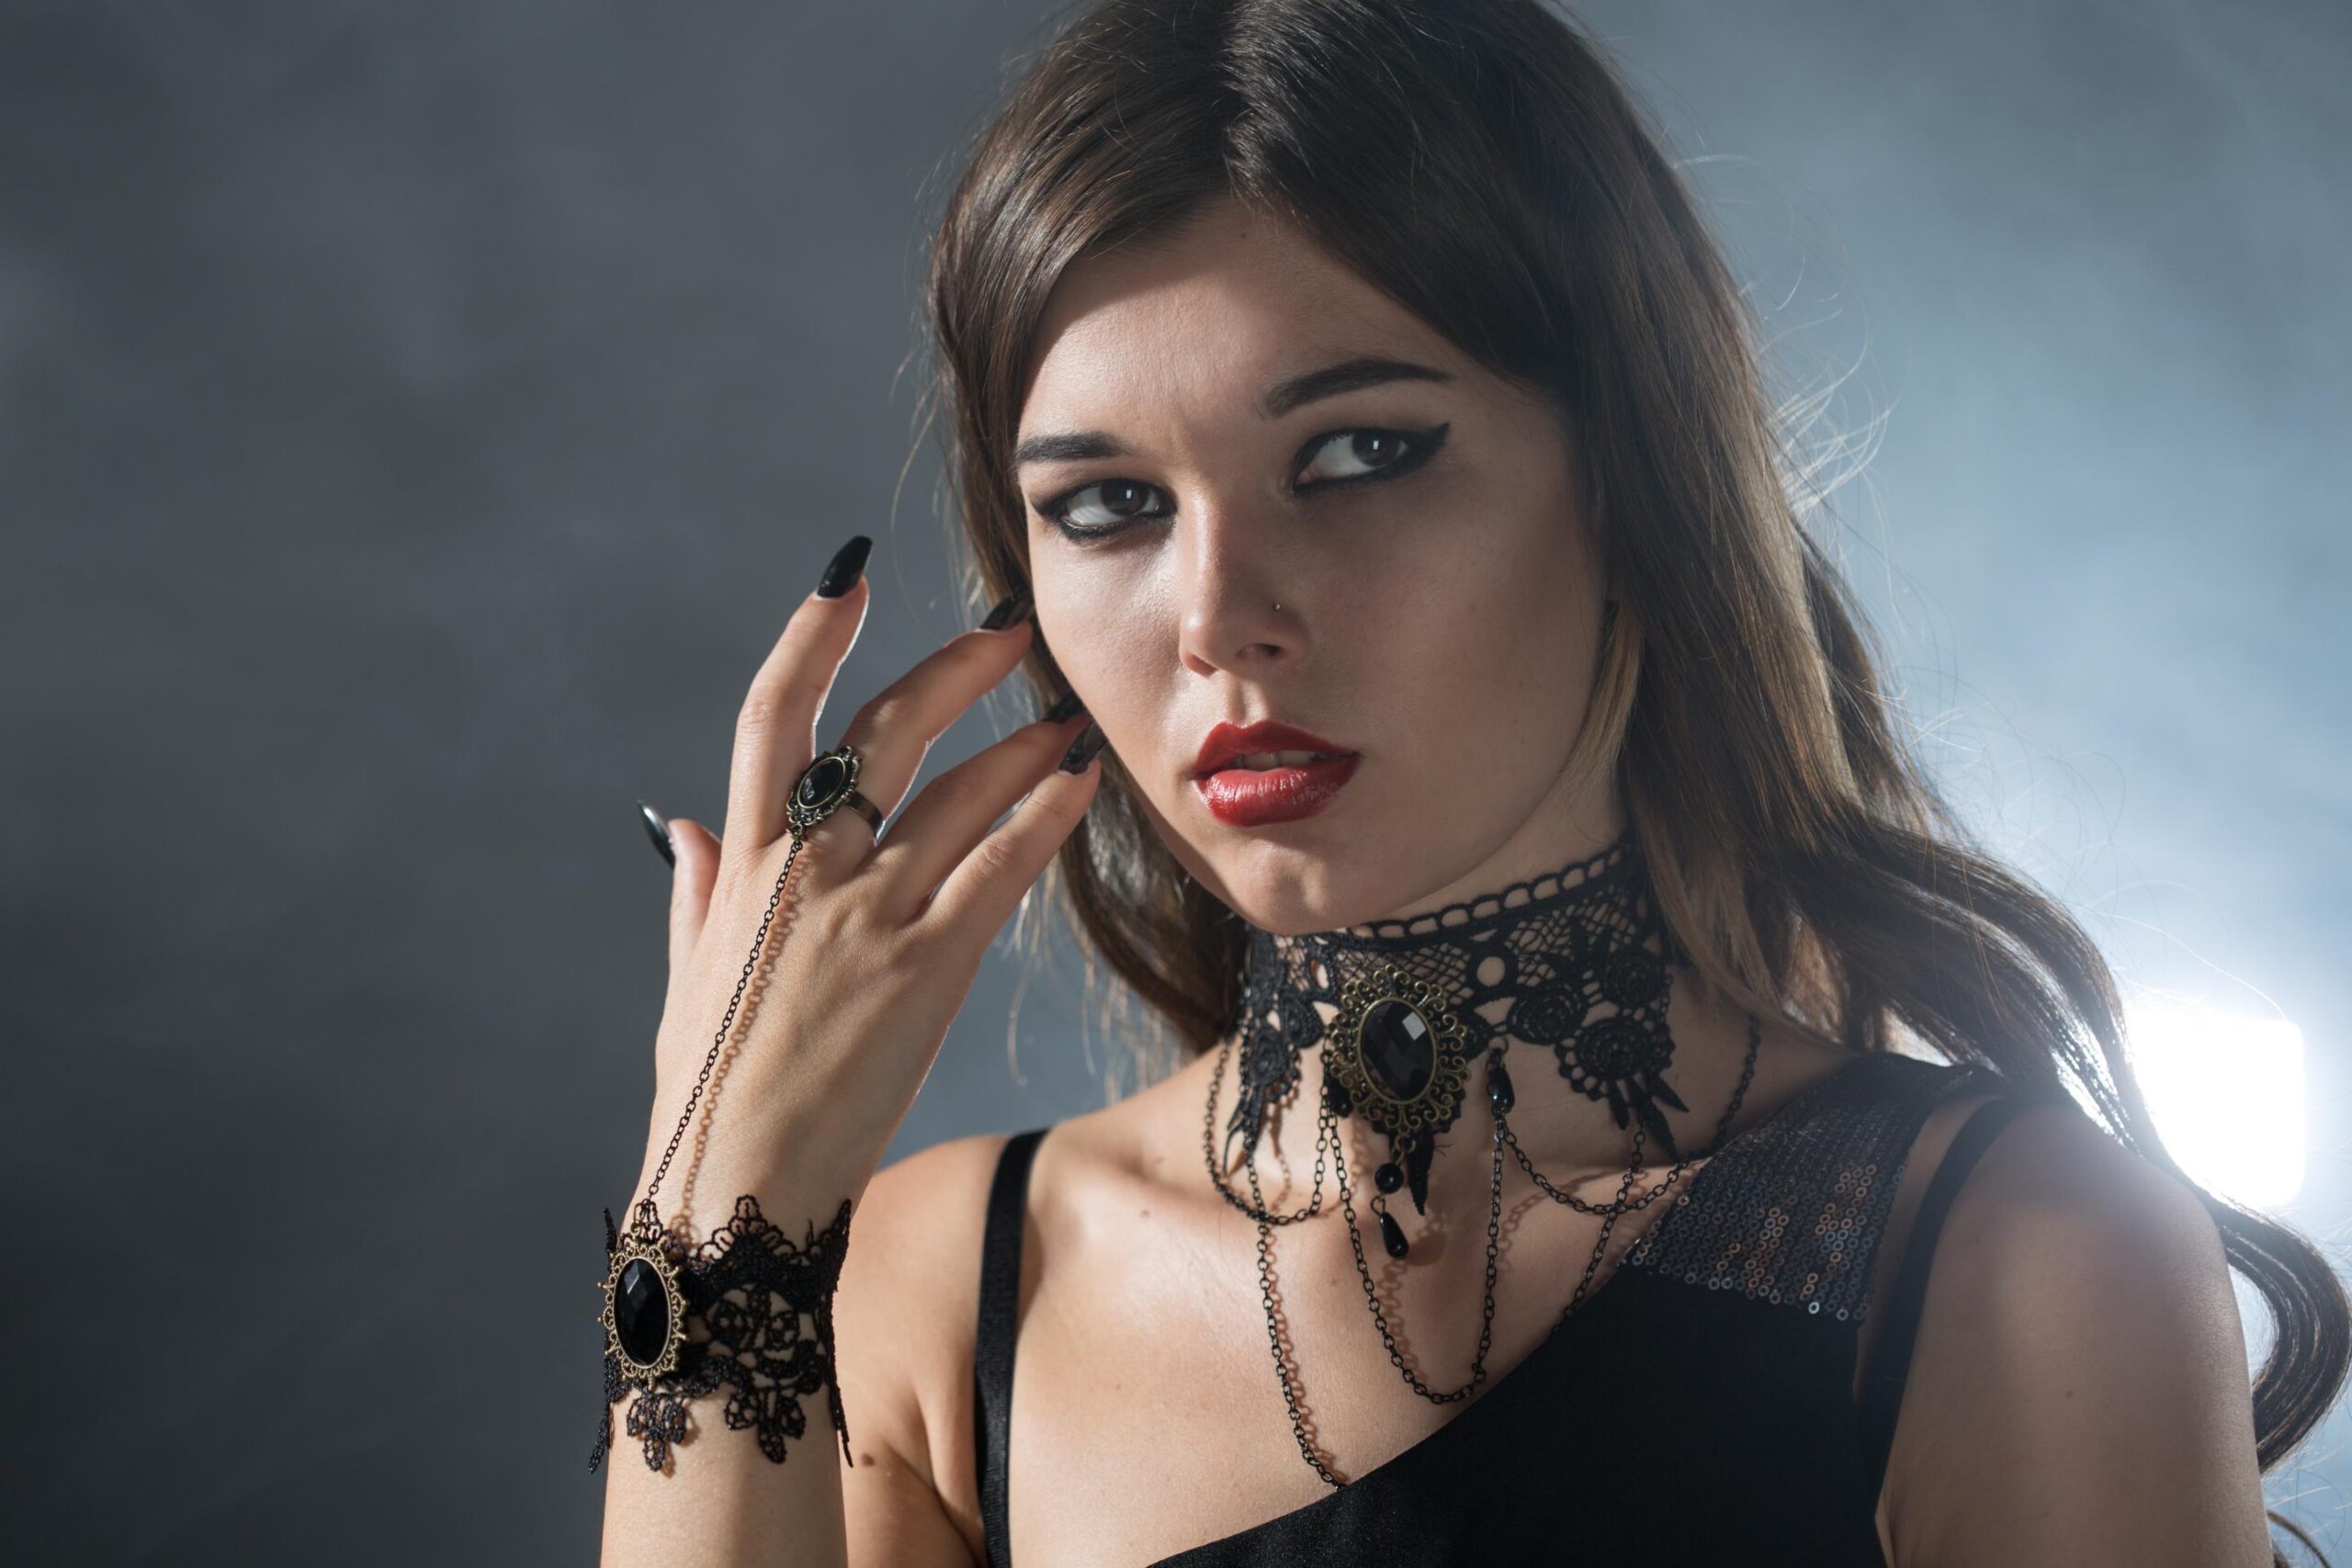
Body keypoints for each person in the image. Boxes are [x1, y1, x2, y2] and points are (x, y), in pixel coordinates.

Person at [594, 1, 2349, 1563]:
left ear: (1635, 482)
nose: (1217, 619)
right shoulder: (927, 1286)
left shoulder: (2012, 1262)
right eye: (1109, 506)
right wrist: (717, 1208)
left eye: (1360, 453)